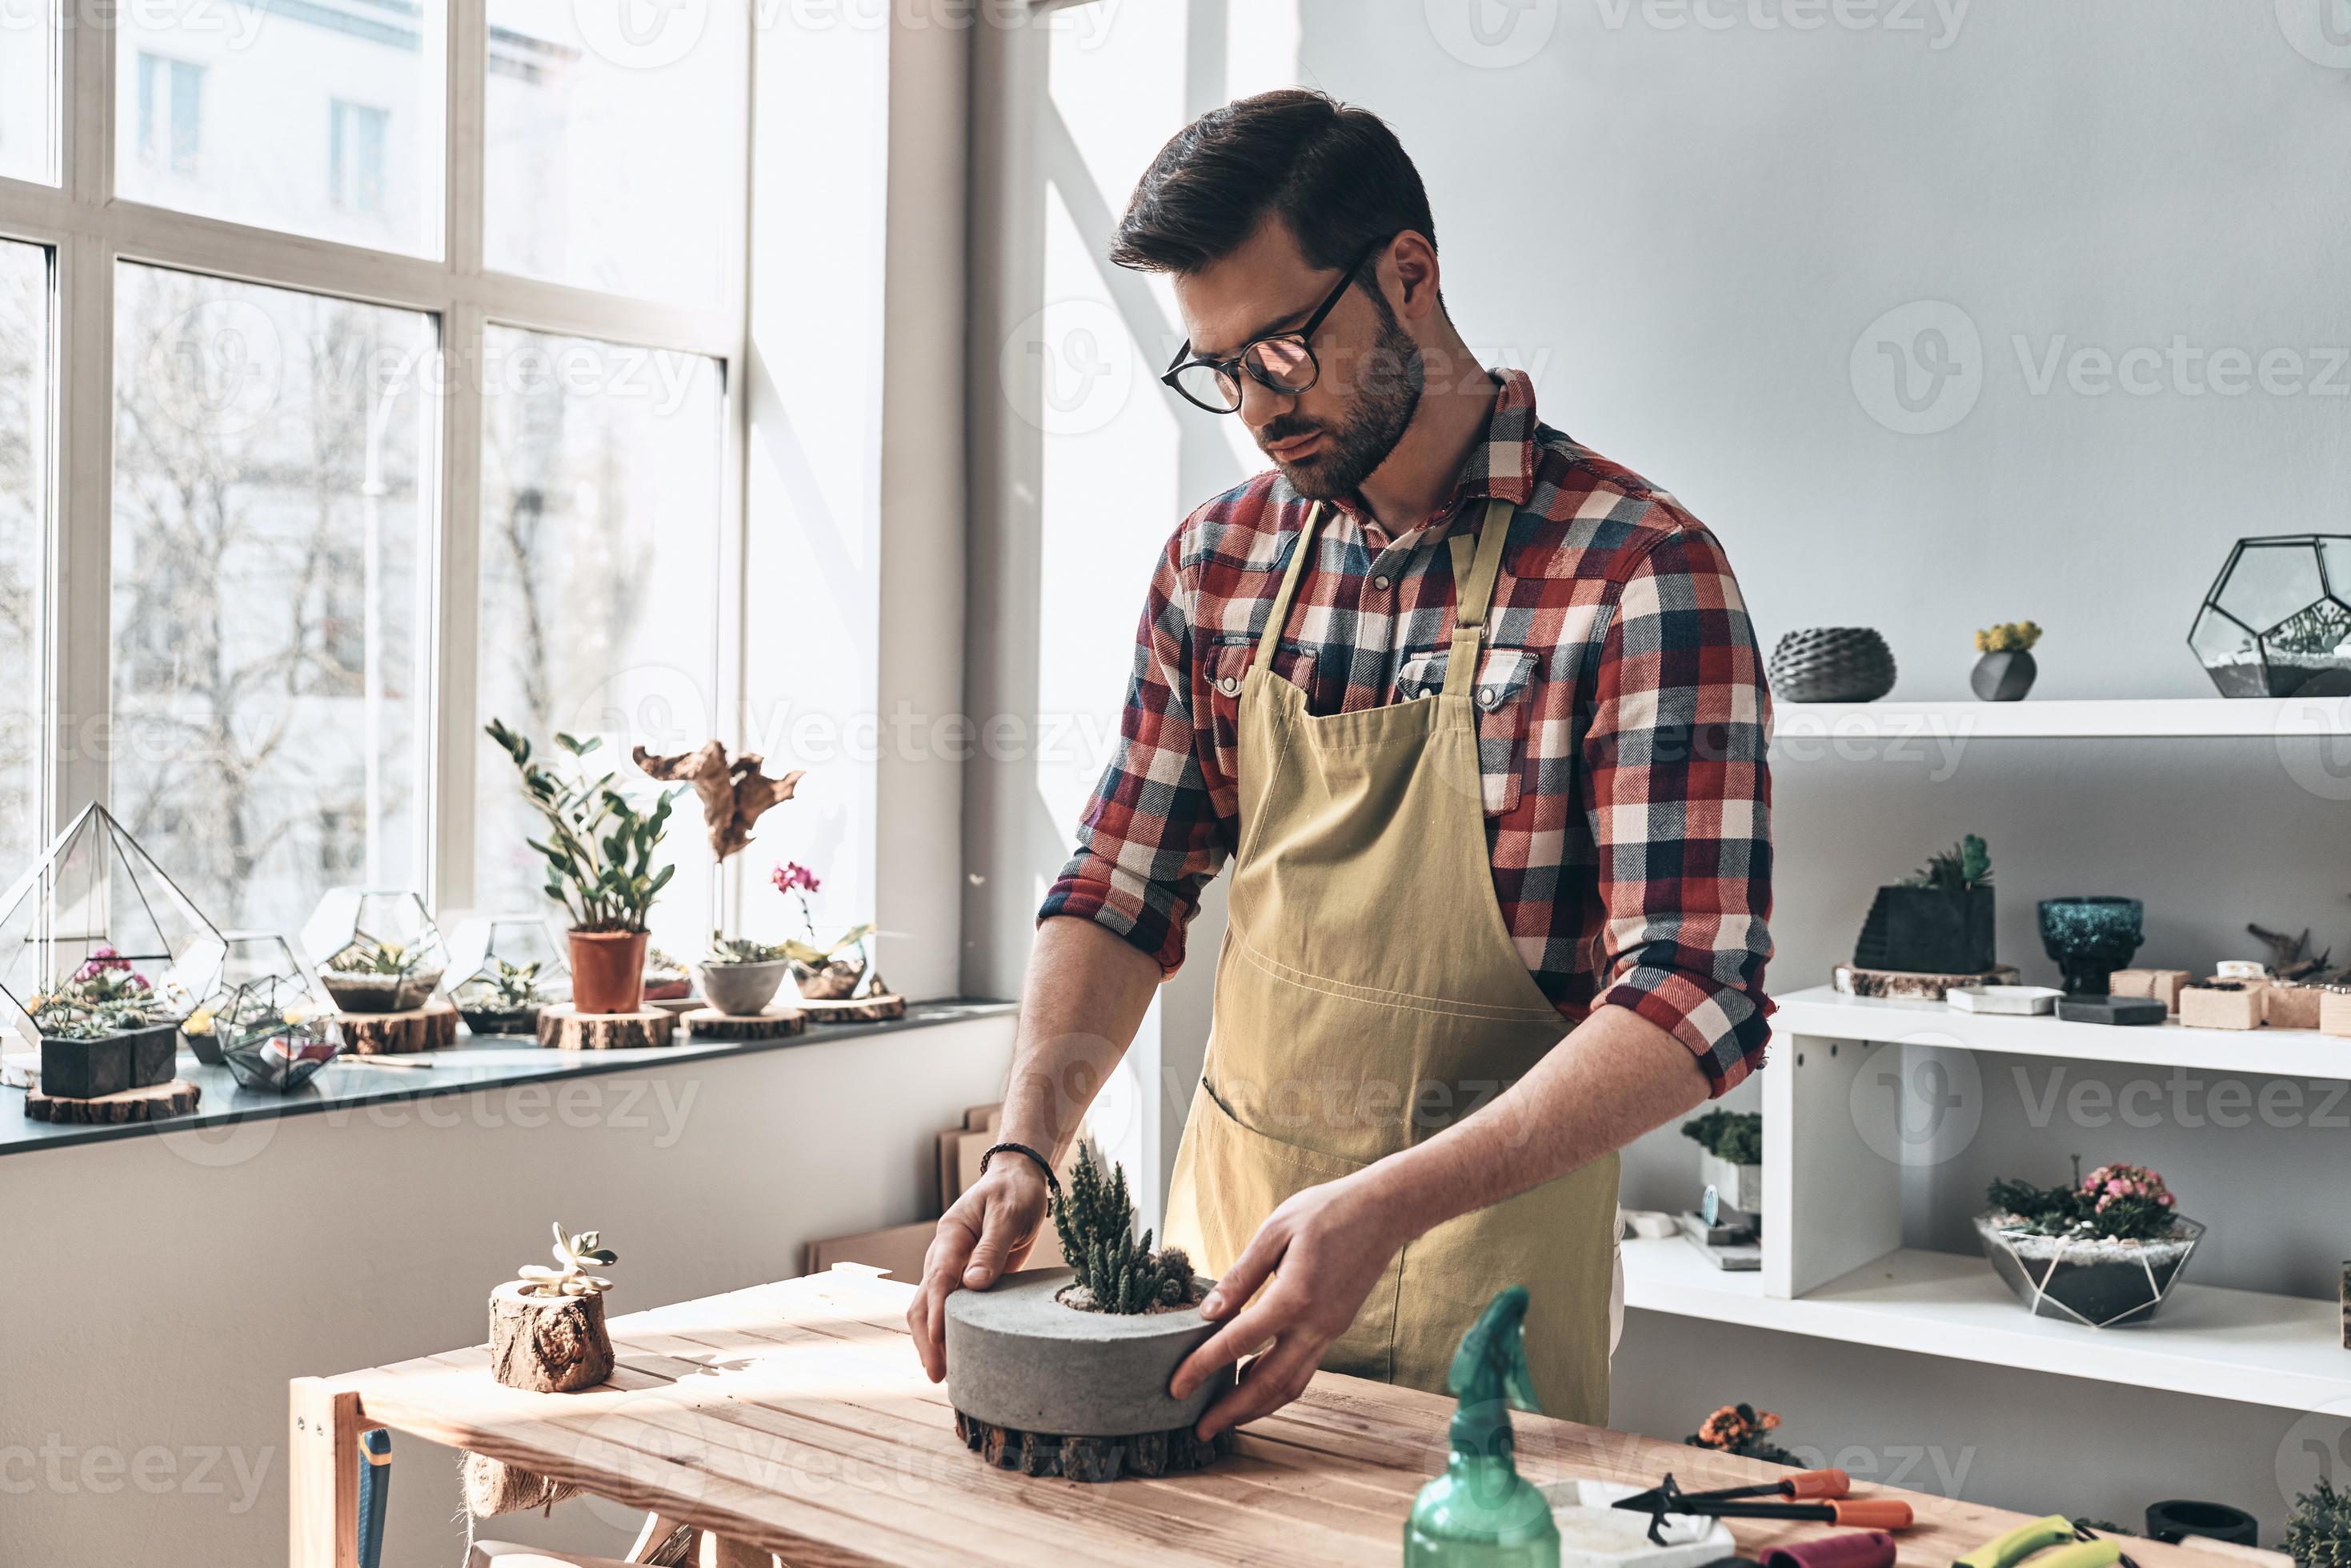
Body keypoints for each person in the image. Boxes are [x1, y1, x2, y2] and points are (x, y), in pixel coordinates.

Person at [910, 88, 1773, 1438]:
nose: (1256, 408)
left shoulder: (1634, 575)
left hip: (1489, 1303)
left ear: (1410, 275)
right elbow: (1122, 887)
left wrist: (1385, 1205)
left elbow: (1692, 996)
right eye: (1217, 367)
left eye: (1282, 352)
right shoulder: (1219, 562)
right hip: (1215, 1275)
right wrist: (1030, 1143)